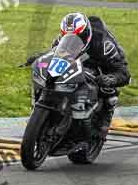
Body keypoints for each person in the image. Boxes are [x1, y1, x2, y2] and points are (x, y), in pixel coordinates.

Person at [27, 12, 130, 147]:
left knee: (107, 89)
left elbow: (124, 73)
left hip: (100, 65)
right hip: (77, 63)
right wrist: (39, 58)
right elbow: (53, 55)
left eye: (77, 37)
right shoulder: (60, 40)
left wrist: (110, 78)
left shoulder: (104, 45)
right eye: (67, 37)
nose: (71, 41)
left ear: (85, 34)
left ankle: (102, 126)